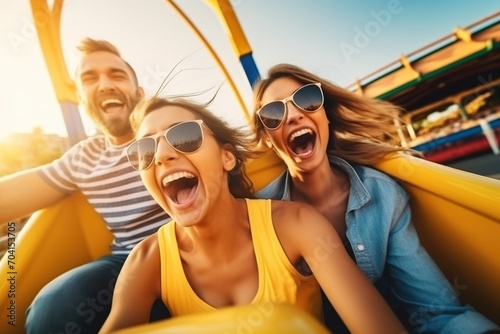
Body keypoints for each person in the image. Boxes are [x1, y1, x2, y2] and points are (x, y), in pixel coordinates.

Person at [98, 96, 407, 333]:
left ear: (227, 157)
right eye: (144, 151)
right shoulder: (146, 262)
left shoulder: (298, 226)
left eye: (184, 136)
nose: (163, 155)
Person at [251, 63, 500, 333]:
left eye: (307, 99)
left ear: (326, 115)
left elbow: (434, 311)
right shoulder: (258, 217)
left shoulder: (383, 194)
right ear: (266, 138)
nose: (293, 116)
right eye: (273, 113)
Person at [0, 38, 170, 333]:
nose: (104, 84)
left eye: (116, 75)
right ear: (81, 99)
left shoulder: (172, 131)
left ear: (139, 92)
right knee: (54, 307)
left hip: (194, 248)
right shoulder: (83, 158)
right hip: (126, 262)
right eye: (90, 79)